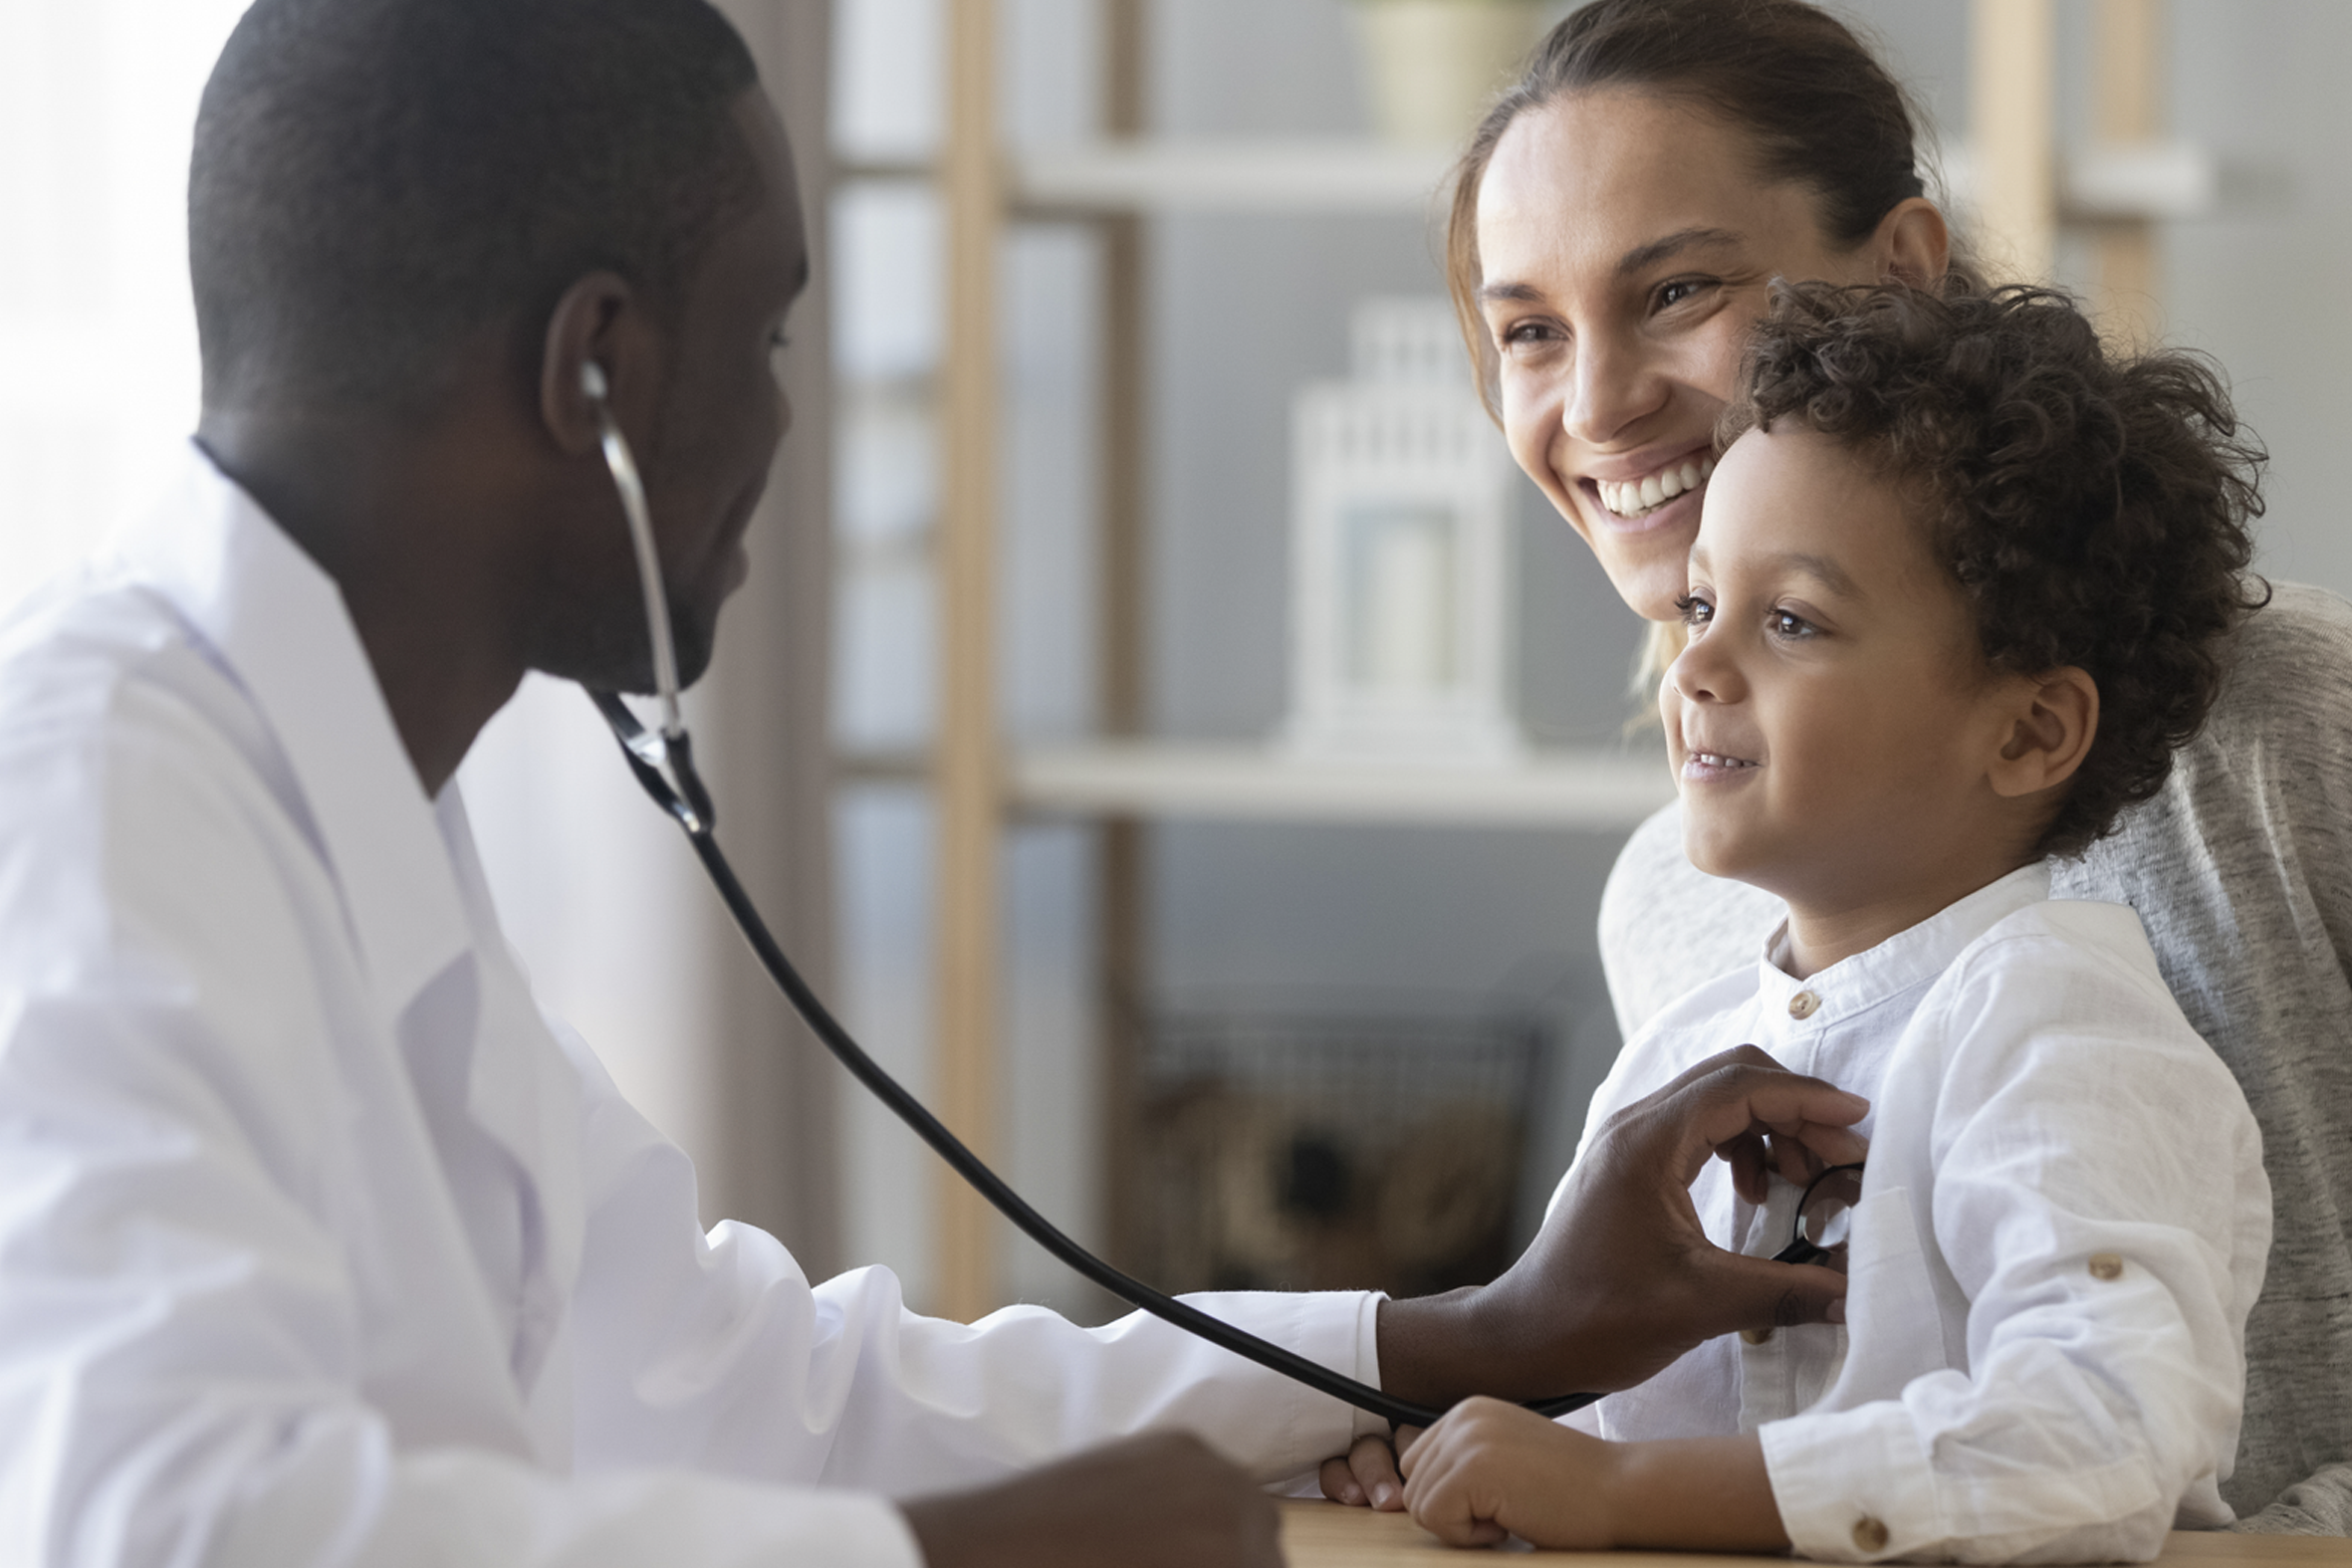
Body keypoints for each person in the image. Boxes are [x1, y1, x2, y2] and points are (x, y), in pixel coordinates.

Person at [0, 3, 1878, 1565]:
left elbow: (770, 1394)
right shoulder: (88, 804)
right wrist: (953, 1556)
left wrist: (1479, 1332)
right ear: (595, 378)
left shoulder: (343, 809)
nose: (786, 419)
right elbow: (163, 1521)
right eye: (766, 334)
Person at [1327, 0, 2352, 1534]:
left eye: (1674, 287)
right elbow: (1728, 1408)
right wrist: (1478, 1435)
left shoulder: (2293, 728)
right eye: (1527, 327)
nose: (1593, 402)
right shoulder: (1684, 903)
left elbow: (2094, 1419)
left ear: (1901, 273)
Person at [1396, 279, 2272, 1558]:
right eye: (1701, 605)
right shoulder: (1676, 1060)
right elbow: (1616, 1436)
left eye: (1790, 620)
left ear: (2028, 731)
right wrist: (1467, 1454)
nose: (1694, 666)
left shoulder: (2060, 1035)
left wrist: (1609, 1495)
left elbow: (2099, 1438)